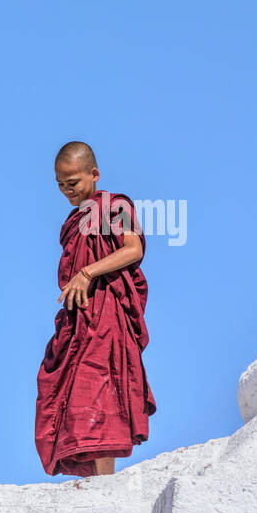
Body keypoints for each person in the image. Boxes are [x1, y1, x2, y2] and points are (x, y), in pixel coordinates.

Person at [35, 141, 156, 477]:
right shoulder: (75, 221)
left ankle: (106, 480)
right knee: (65, 386)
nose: (66, 191)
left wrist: (87, 273)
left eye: (72, 183)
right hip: (81, 318)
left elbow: (132, 250)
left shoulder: (113, 207)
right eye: (60, 185)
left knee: (100, 387)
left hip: (108, 313)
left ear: (94, 174)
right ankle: (94, 479)